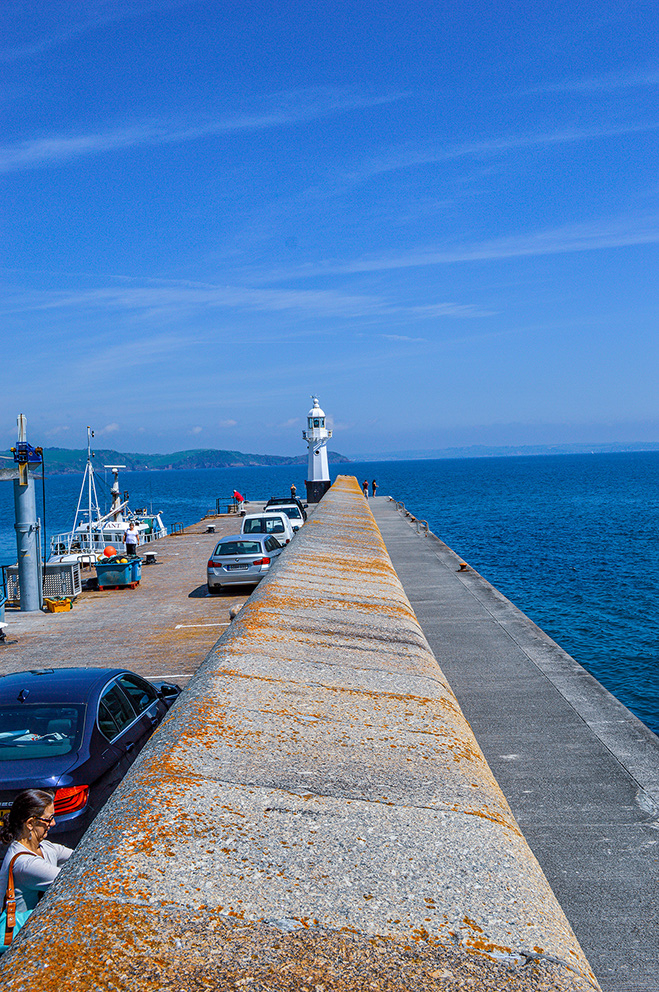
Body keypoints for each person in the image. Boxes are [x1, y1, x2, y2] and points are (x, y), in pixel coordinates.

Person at [0, 790, 73, 949]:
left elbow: (80, 855)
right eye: (48, 819)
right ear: (30, 823)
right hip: (19, 940)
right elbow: (71, 882)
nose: (53, 823)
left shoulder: (45, 847)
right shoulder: (25, 864)